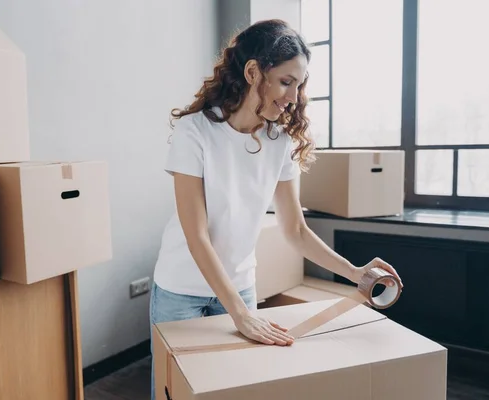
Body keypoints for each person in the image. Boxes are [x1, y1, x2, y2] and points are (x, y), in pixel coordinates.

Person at [149, 19, 402, 398]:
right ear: (253, 72)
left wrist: (354, 273)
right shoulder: (194, 131)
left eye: (300, 85)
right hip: (180, 290)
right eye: (286, 82)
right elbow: (196, 235)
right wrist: (241, 314)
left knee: (235, 389)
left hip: (239, 288)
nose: (295, 96)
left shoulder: (280, 141)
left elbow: (294, 229)